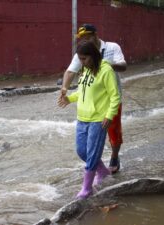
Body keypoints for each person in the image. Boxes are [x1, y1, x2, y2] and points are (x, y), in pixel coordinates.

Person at [59, 24, 126, 174]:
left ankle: (114, 157)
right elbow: (70, 71)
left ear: (95, 35)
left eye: (87, 38)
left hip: (111, 98)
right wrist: (65, 88)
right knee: (86, 145)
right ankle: (100, 168)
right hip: (91, 102)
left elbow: (124, 66)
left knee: (114, 132)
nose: (84, 41)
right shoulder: (82, 53)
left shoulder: (112, 47)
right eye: (82, 39)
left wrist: (107, 65)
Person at [58, 40, 121, 199]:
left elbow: (115, 96)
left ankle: (86, 189)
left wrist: (109, 115)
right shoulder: (85, 71)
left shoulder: (106, 71)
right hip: (82, 117)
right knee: (82, 151)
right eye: (80, 58)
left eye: (84, 58)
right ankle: (102, 171)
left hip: (99, 119)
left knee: (92, 153)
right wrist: (69, 99)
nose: (81, 62)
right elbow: (82, 92)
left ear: (93, 56)